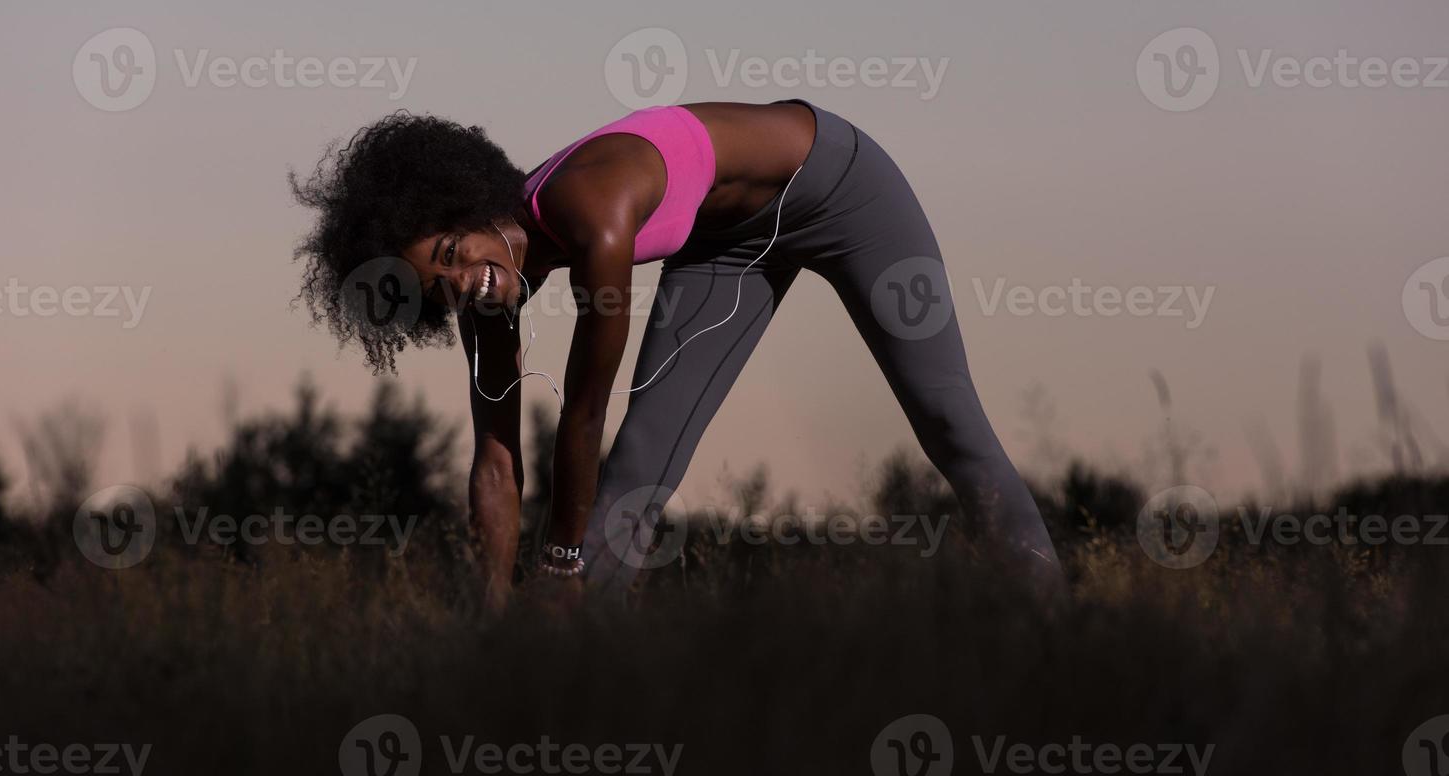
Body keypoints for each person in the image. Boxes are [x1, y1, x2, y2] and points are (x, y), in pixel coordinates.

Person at [292, 99, 1062, 609]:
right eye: (445, 289)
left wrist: (555, 566)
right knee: (636, 474)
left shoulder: (591, 212)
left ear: (470, 207)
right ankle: (572, 692)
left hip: (838, 186)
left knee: (946, 418)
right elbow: (495, 461)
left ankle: (1054, 626)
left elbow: (584, 410)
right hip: (728, 245)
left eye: (456, 252)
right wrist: (495, 612)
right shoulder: (486, 299)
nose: (466, 283)